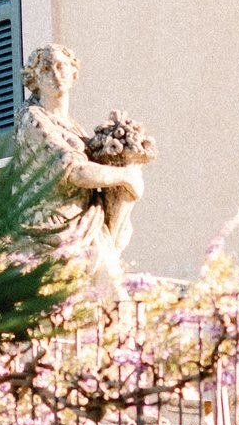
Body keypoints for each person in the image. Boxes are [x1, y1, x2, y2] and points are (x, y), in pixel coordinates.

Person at [14, 44, 145, 308]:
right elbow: (74, 171)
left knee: (112, 298)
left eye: (61, 66)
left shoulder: (73, 127)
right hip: (49, 230)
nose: (55, 74)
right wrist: (125, 176)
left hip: (85, 224)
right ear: (34, 79)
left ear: (74, 72)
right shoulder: (32, 120)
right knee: (109, 297)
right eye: (46, 69)